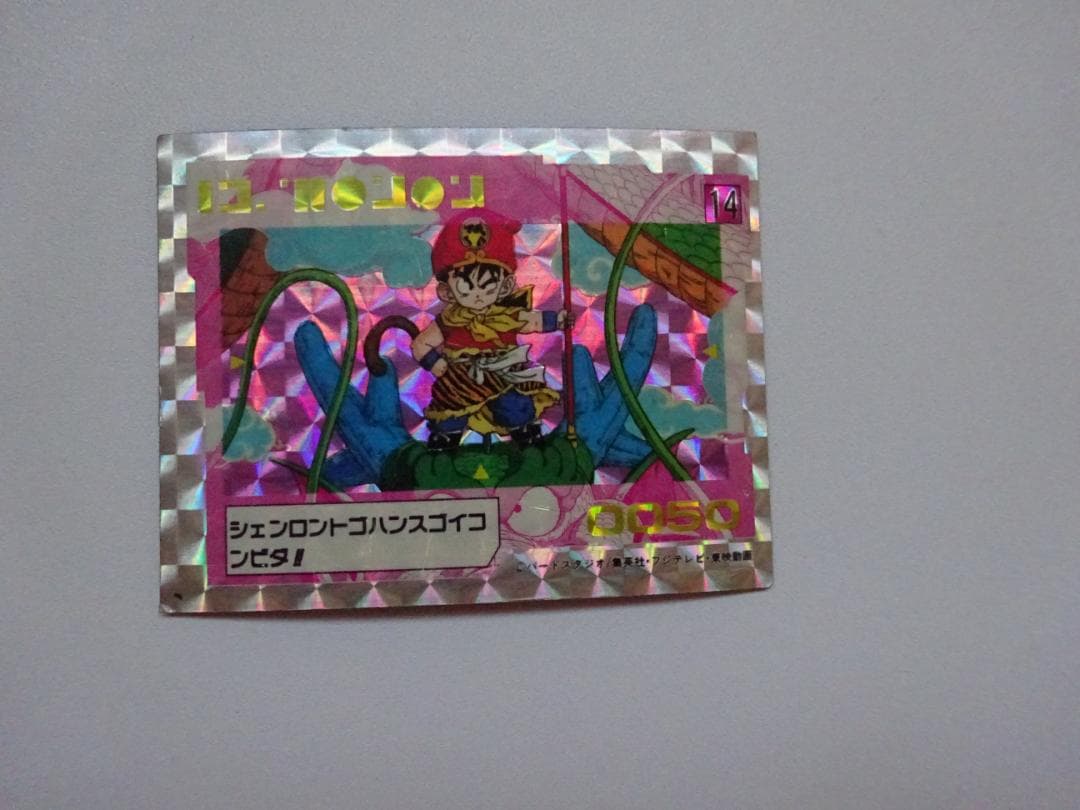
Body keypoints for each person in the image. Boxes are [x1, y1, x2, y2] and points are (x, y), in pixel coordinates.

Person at [412, 210, 569, 450]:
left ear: (505, 286)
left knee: (514, 405)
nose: (477, 294)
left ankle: (526, 435)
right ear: (446, 291)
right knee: (450, 408)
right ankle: (445, 440)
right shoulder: (449, 320)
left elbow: (532, 321)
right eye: (466, 287)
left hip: (503, 371)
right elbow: (420, 344)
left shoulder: (506, 314)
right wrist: (435, 363)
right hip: (460, 377)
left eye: (487, 286)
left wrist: (558, 320)